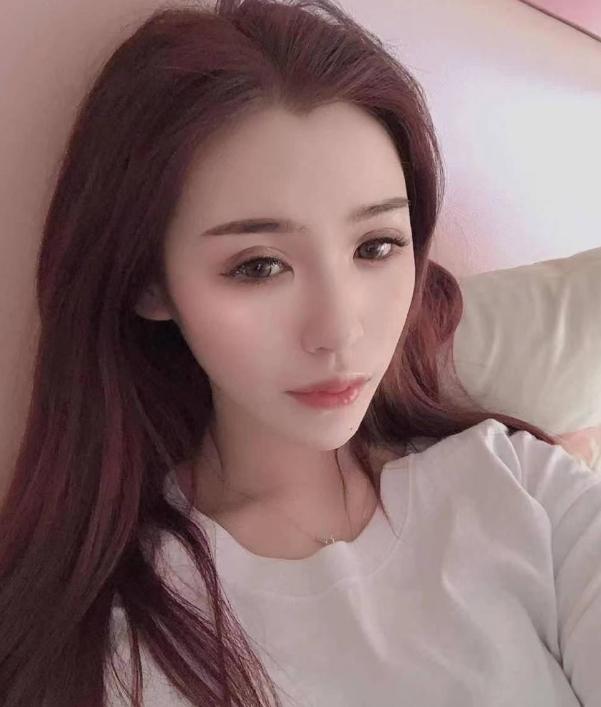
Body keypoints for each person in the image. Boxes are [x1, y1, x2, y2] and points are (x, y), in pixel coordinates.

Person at [1, 1, 599, 706]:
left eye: (376, 246)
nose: (339, 329)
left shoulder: (524, 490)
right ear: (150, 282)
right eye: (259, 265)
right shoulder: (98, 644)